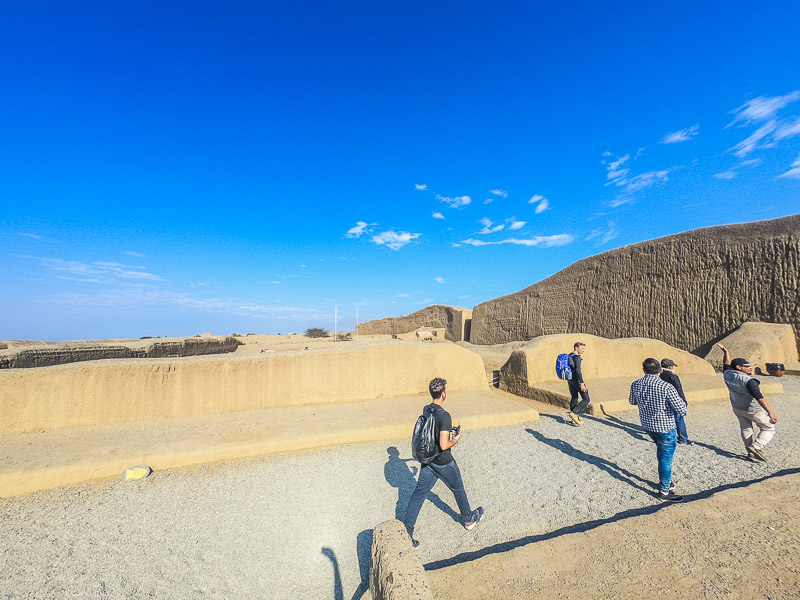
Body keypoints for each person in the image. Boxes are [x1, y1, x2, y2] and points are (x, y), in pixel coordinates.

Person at [403, 377, 484, 547]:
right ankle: (469, 519)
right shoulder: (444, 415)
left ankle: (407, 534)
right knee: (458, 488)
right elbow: (443, 444)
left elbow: (431, 431)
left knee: (418, 495)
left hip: (429, 462)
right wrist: (456, 438)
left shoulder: (427, 408)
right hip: (443, 462)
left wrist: (448, 433)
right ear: (443, 393)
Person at [629, 358, 688, 502]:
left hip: (648, 426)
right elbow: (682, 409)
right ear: (661, 370)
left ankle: (667, 481)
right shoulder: (666, 387)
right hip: (665, 427)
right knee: (665, 459)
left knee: (661, 454)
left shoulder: (636, 384)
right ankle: (664, 492)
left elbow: (632, 401)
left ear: (644, 370)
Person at [718, 343, 778, 462]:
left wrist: (726, 352)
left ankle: (750, 453)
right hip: (753, 409)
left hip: (737, 407)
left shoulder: (728, 374)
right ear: (739, 367)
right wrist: (770, 412)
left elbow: (726, 365)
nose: (750, 368)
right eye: (747, 366)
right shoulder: (749, 380)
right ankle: (756, 447)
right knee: (769, 428)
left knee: (746, 429)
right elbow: (759, 397)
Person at [659, 358, 691, 445]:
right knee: (679, 419)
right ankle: (683, 439)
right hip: (674, 400)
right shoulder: (673, 376)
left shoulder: (658, 375)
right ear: (669, 367)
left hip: (663, 401)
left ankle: (666, 436)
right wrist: (684, 401)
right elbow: (679, 390)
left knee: (666, 419)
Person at [567, 342, 591, 426]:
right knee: (586, 399)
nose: (583, 350)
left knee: (574, 397)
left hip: (570, 380)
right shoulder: (576, 358)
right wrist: (582, 383)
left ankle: (574, 419)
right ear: (576, 348)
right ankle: (574, 413)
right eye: (582, 348)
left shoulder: (570, 355)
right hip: (577, 380)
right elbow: (578, 371)